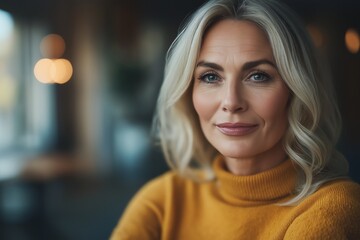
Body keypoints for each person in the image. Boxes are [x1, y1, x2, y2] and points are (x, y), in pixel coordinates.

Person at [110, 0, 360, 239]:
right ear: (188, 93)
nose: (231, 101)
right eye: (210, 77)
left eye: (258, 76)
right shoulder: (163, 200)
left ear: (297, 91)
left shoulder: (331, 207)